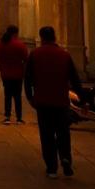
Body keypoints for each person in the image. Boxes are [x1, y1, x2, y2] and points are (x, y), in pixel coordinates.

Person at [24, 25, 82, 179]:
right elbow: (75, 79)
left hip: (42, 101)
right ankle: (65, 157)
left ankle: (51, 167)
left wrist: (30, 97)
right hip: (61, 101)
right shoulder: (64, 55)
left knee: (47, 134)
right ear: (54, 37)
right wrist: (82, 98)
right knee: (63, 132)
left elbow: (27, 78)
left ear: (41, 37)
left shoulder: (35, 54)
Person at [0, 25, 29, 124]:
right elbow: (26, 59)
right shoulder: (20, 45)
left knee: (8, 95)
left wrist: (1, 69)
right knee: (18, 96)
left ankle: (7, 116)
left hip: (6, 74)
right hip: (18, 74)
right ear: (16, 33)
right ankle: (19, 118)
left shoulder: (1, 44)